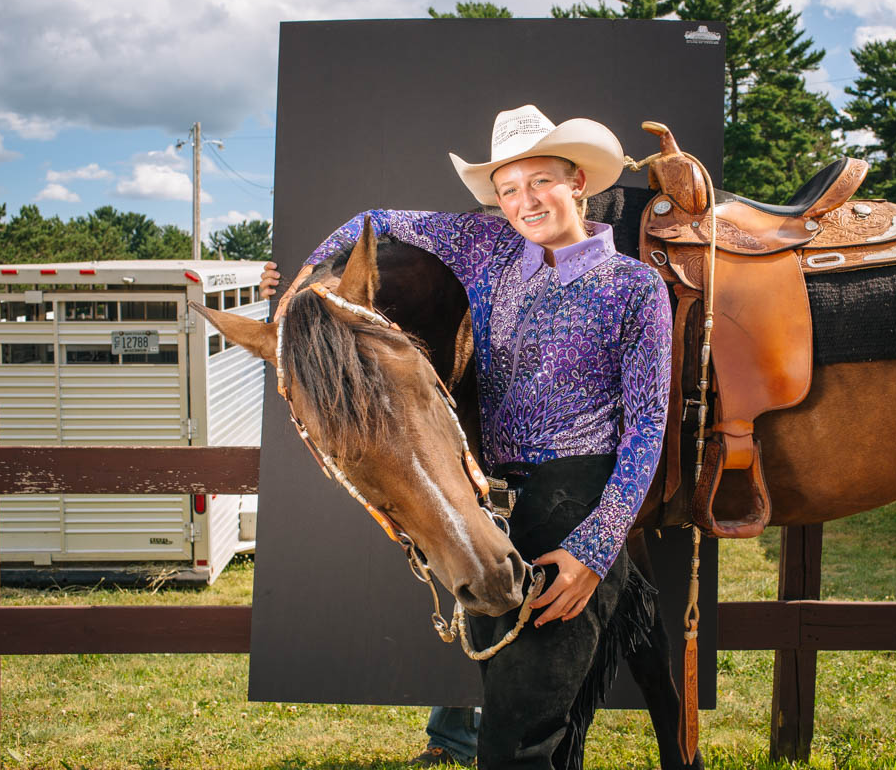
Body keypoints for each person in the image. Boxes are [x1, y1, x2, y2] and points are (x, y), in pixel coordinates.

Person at [259, 104, 672, 770]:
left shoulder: (635, 287)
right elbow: (368, 223)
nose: (524, 200)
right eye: (508, 188)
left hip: (579, 500)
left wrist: (595, 549)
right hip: (492, 506)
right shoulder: (488, 249)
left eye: (540, 181)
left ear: (577, 182)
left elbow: (647, 425)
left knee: (518, 739)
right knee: (541, 734)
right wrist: (301, 297)